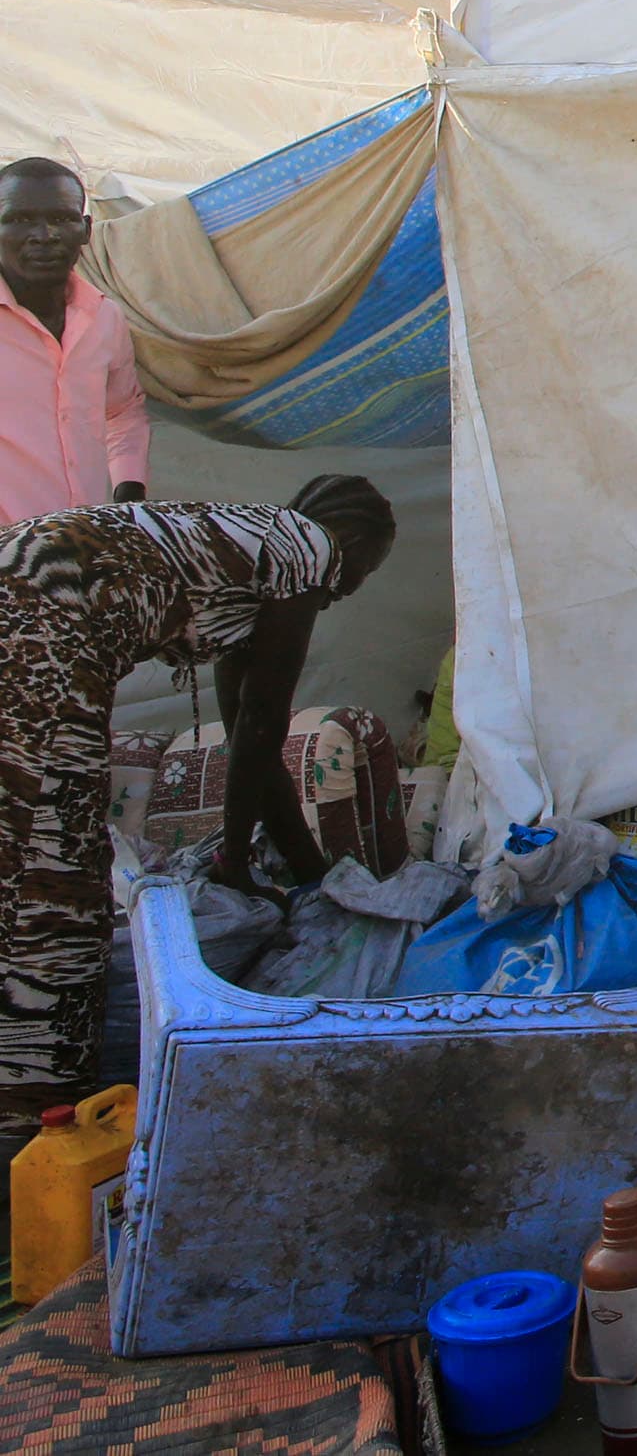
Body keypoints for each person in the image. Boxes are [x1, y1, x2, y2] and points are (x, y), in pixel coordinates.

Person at [0, 480, 395, 1146]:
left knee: (23, 848)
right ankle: (30, 1125)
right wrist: (235, 860)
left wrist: (310, 876)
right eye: (365, 569)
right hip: (45, 622)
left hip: (25, 583)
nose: (349, 587)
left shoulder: (244, 552)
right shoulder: (307, 549)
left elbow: (246, 730)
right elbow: (264, 724)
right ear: (348, 542)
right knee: (52, 883)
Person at [0, 158, 148, 528]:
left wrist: (128, 495)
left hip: (83, 548)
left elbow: (122, 411)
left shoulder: (104, 318)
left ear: (85, 230)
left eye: (62, 218)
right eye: (19, 220)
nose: (44, 234)